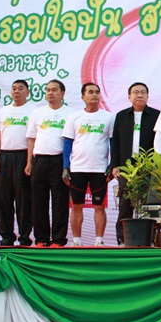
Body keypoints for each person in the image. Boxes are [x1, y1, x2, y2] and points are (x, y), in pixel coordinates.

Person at [62, 82, 114, 246]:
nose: (94, 94)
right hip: (78, 169)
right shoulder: (74, 117)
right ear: (83, 97)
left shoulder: (108, 117)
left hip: (100, 169)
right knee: (77, 205)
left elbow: (113, 143)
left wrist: (112, 164)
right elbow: (67, 144)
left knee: (99, 206)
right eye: (90, 92)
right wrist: (65, 166)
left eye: (97, 92)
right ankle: (77, 241)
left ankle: (99, 241)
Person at [26, 79, 74, 247]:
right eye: (47, 90)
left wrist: (68, 165)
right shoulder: (37, 113)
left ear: (62, 93)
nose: (50, 93)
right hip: (39, 160)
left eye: (54, 90)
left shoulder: (70, 114)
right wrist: (29, 162)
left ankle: (58, 239)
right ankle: (41, 238)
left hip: (59, 160)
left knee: (60, 201)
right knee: (38, 201)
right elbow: (31, 139)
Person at [111, 82, 160, 245]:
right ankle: (122, 238)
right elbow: (116, 142)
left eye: (143, 92)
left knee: (148, 202)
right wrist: (115, 165)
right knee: (125, 201)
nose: (139, 95)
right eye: (135, 92)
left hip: (148, 165)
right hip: (127, 166)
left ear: (147, 96)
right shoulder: (121, 116)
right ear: (129, 96)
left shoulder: (156, 115)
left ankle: (149, 237)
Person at [0, 79, 35, 246]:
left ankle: (24, 237)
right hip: (4, 157)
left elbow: (33, 137)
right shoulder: (4, 111)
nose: (16, 91)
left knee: (23, 200)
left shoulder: (33, 110)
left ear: (27, 92)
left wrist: (29, 161)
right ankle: (7, 236)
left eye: (20, 88)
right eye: (14, 88)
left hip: (23, 156)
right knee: (3, 198)